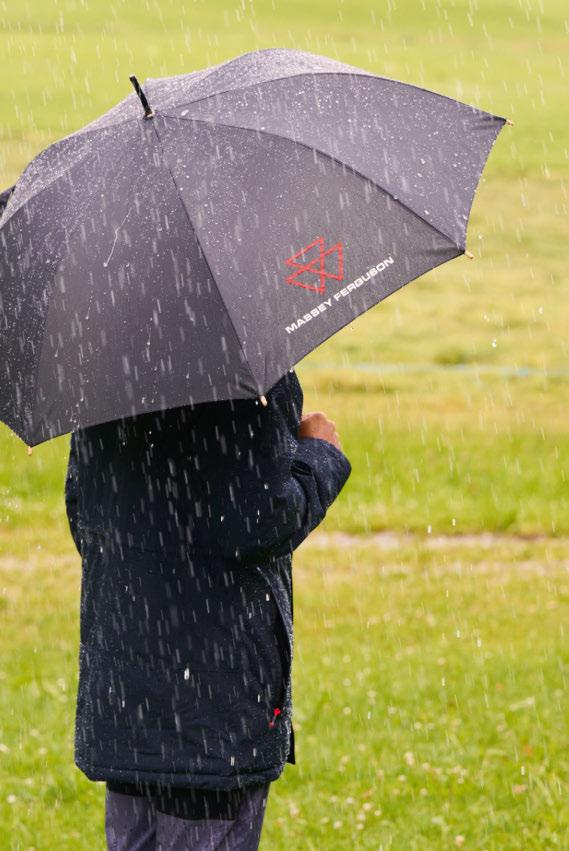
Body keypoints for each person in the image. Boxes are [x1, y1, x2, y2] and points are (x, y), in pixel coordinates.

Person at [64, 367, 352, 850]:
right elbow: (261, 521)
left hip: (127, 697)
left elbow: (85, 513)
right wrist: (319, 455)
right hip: (215, 709)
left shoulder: (100, 369)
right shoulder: (246, 378)